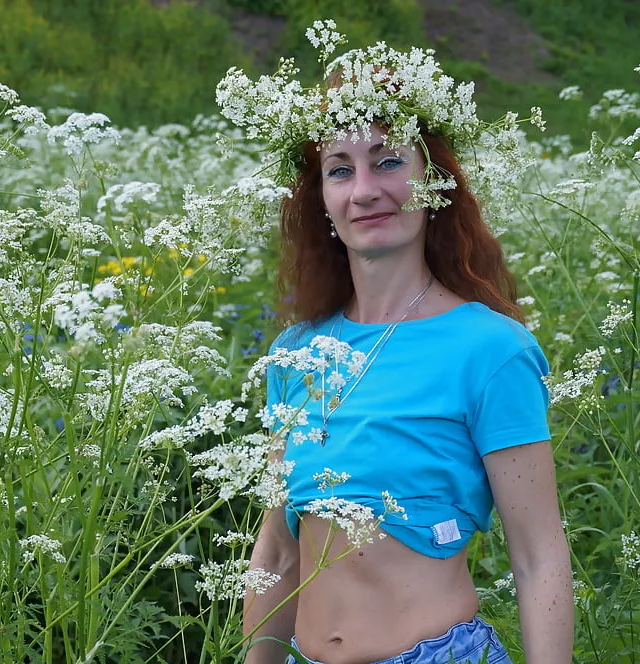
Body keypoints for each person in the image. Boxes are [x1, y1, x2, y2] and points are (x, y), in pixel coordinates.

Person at [219, 27, 573, 664]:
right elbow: (276, 552)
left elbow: (538, 555)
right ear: (321, 197)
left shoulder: (490, 349)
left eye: (387, 161)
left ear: (432, 179)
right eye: (339, 170)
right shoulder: (299, 352)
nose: (364, 191)